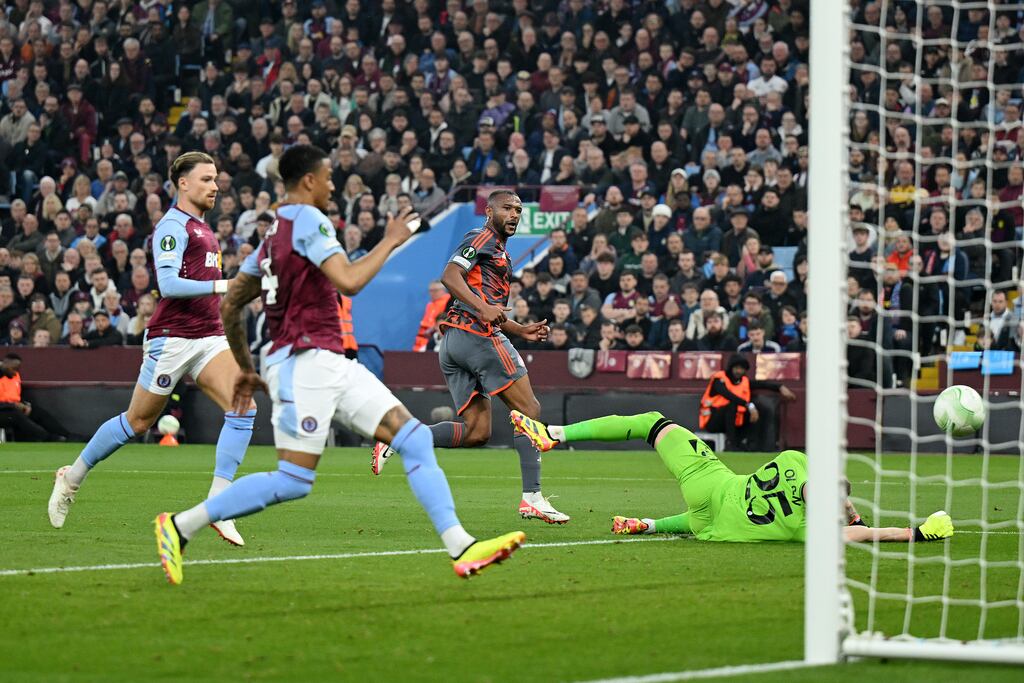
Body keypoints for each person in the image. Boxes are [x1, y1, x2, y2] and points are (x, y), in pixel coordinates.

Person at [155, 145, 525, 585]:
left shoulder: (274, 234)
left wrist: (246, 365)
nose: (333, 185)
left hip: (329, 360)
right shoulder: (310, 219)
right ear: (308, 181)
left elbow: (234, 302)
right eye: (328, 177)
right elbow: (348, 282)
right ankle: (179, 526)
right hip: (302, 364)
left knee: (413, 439)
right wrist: (391, 239)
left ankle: (460, 547)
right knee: (294, 480)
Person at [47, 153, 256, 547]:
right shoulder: (172, 227)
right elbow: (169, 285)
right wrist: (225, 286)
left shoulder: (203, 228)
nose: (215, 186)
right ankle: (71, 477)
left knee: (243, 406)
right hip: (172, 337)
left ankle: (218, 505)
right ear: (183, 183)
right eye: (207, 179)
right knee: (138, 422)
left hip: (208, 335)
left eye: (216, 179)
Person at [370, 190, 568, 524]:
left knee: (477, 431)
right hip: (476, 336)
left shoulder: (497, 248)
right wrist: (482, 309)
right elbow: (450, 276)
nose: (514, 214)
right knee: (529, 410)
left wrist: (520, 330)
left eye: (519, 210)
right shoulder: (482, 236)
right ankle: (532, 498)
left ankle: (399, 438)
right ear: (489, 211)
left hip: (455, 341)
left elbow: (487, 303)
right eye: (507, 208)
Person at [509, 410, 954, 544]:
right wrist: (917, 533)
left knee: (652, 424)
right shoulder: (806, 528)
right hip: (713, 520)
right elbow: (869, 535)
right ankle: (647, 524)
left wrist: (850, 508)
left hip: (713, 480)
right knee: (698, 521)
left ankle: (553, 434)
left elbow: (838, 497)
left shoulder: (796, 459)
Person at [698, 354, 796, 451]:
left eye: (741, 369)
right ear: (731, 368)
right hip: (713, 421)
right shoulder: (719, 379)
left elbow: (762, 384)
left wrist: (780, 387)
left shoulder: (744, 381)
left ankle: (753, 445)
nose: (738, 371)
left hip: (735, 423)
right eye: (736, 368)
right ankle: (731, 444)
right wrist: (748, 405)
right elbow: (727, 394)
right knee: (732, 406)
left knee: (757, 411)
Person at [0, 353, 71, 442]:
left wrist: (25, 404)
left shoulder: (15, 376)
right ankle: (48, 438)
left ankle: (67, 436)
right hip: (4, 411)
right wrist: (13, 405)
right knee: (16, 415)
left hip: (12, 407)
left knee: (36, 411)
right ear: (5, 364)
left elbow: (15, 395)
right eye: (14, 369)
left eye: (17, 369)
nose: (15, 372)